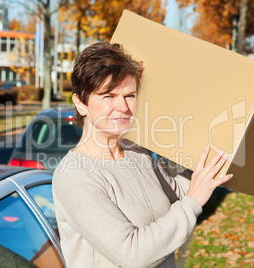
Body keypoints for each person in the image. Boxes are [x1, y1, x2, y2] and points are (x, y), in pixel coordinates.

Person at [52, 42, 233, 267]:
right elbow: (132, 254)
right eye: (108, 96)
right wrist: (193, 202)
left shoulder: (136, 152)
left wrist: (212, 161)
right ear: (80, 103)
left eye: (130, 95)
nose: (123, 107)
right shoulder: (75, 176)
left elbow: (174, 194)